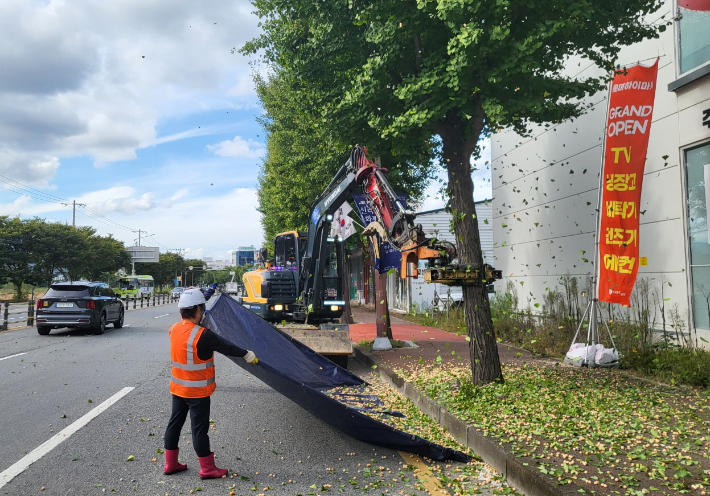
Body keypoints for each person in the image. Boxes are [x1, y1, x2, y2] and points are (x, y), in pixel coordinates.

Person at [163, 287, 259, 479]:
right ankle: (207, 468)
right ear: (198, 311)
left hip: (178, 388)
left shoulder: (173, 329)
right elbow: (226, 346)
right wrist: (246, 354)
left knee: (175, 424)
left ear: (182, 310)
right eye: (202, 310)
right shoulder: (202, 335)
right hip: (197, 392)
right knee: (199, 430)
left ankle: (170, 464)